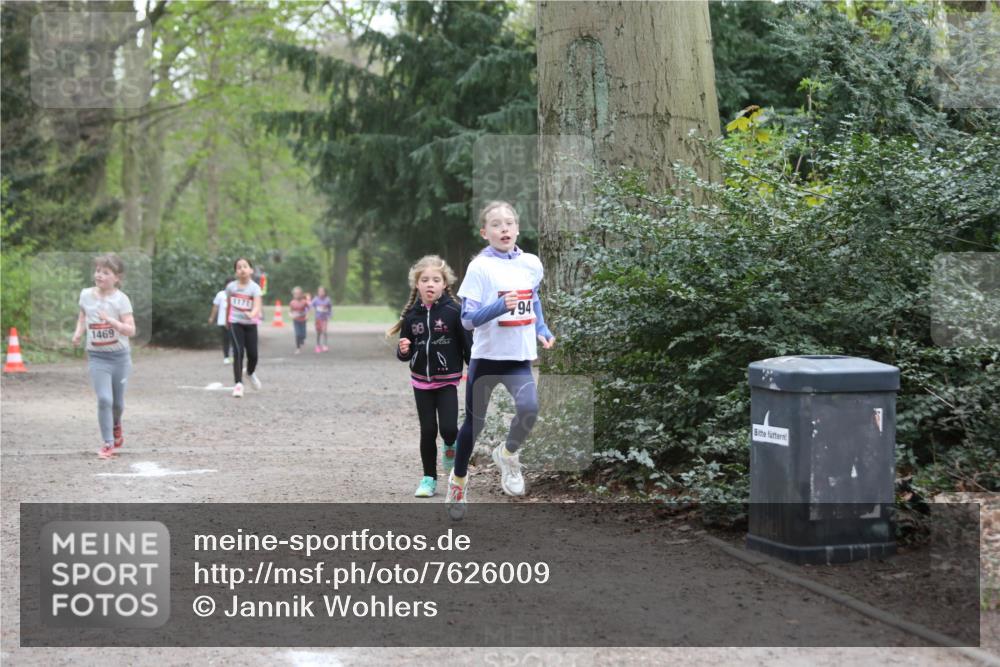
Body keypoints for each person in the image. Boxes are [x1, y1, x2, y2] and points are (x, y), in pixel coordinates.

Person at [448, 201, 556, 519]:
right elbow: (467, 320)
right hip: (486, 359)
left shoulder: (531, 263)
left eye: (509, 223)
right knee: (474, 425)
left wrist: (542, 328)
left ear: (518, 229)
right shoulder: (480, 268)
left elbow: (533, 299)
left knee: (530, 409)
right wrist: (499, 306)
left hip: (518, 358)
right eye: (496, 224)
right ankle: (458, 482)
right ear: (485, 233)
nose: (504, 228)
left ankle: (508, 454)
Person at [388, 256, 471, 498]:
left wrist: (475, 368)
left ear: (445, 284)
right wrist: (403, 350)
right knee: (427, 430)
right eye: (425, 280)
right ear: (417, 284)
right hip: (420, 382)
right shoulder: (411, 316)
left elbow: (468, 347)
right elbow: (404, 352)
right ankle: (428, 478)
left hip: (447, 381)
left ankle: (450, 444)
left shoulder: (454, 312)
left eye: (436, 279)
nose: (430, 284)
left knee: (448, 428)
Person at [72, 253, 136, 459]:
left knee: (117, 404)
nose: (99, 275)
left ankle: (116, 424)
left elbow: (131, 330)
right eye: (98, 271)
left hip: (119, 357)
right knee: (104, 399)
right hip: (97, 357)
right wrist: (78, 333)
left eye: (106, 272)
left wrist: (111, 321)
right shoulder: (85, 295)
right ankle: (108, 443)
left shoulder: (121, 300)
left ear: (117, 277)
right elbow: (83, 316)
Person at [226, 257, 263, 398]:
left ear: (251, 270)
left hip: (251, 324)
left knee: (253, 355)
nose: (242, 269)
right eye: (239, 267)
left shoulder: (255, 288)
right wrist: (227, 320)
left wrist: (252, 314)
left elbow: (257, 306)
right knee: (238, 352)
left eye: (245, 266)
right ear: (236, 272)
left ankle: (250, 373)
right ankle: (238, 384)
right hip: (235, 323)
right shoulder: (231, 287)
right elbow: (228, 304)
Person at [208, 283, 232, 364]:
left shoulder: (237, 294)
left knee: (234, 339)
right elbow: (215, 306)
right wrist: (212, 317)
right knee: (226, 339)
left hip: (234, 320)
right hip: (223, 321)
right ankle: (226, 356)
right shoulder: (220, 294)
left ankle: (234, 355)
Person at [288, 286, 310, 354]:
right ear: (293, 295)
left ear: (301, 294)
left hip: (303, 320)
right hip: (296, 320)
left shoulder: (304, 302)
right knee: (297, 334)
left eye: (299, 293)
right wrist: (291, 315)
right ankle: (298, 348)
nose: (297, 295)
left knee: (303, 334)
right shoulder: (292, 302)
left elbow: (308, 309)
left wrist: (307, 315)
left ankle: (302, 339)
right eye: (296, 294)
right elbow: (290, 311)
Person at [311, 287, 332, 352]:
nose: (321, 293)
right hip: (318, 318)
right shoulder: (315, 299)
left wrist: (330, 315)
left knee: (324, 331)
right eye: (319, 291)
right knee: (319, 332)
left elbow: (330, 308)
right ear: (318, 292)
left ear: (325, 292)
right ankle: (317, 345)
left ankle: (325, 345)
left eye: (322, 291)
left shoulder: (327, 299)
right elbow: (311, 306)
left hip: (325, 318)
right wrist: (311, 310)